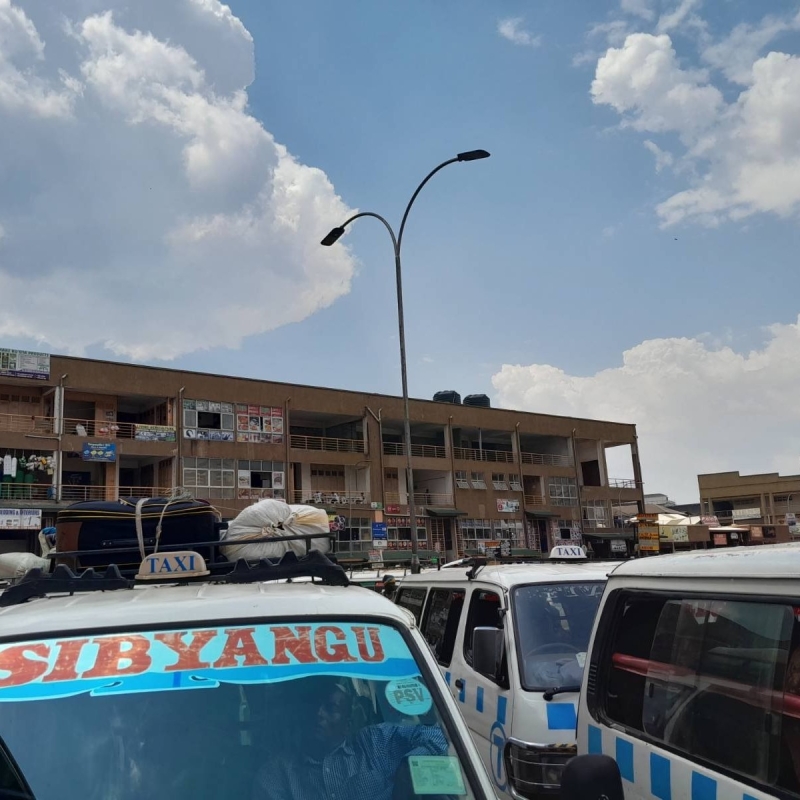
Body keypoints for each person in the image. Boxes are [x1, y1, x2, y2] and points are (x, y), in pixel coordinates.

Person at [252, 678, 447, 800]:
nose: (318, 714)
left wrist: (410, 765)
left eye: (331, 708)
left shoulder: (375, 743)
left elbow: (437, 734)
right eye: (313, 706)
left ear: (349, 723)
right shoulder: (276, 775)